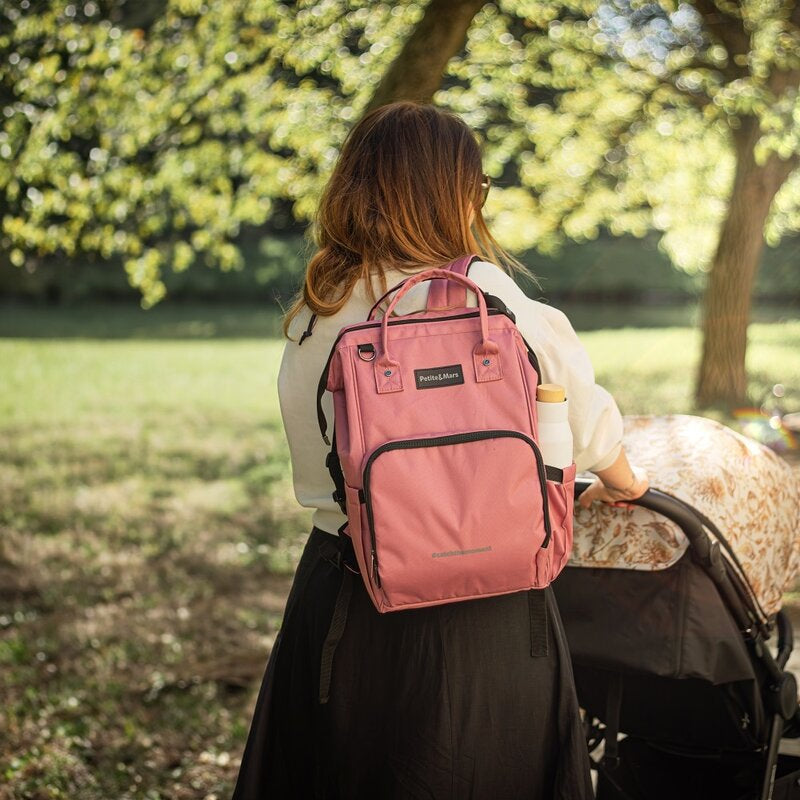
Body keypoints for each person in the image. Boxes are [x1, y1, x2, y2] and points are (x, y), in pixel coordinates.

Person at [231, 101, 649, 800]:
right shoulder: (491, 298)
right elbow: (587, 423)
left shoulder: (318, 307)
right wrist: (627, 483)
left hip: (347, 596)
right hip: (486, 609)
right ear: (453, 191)